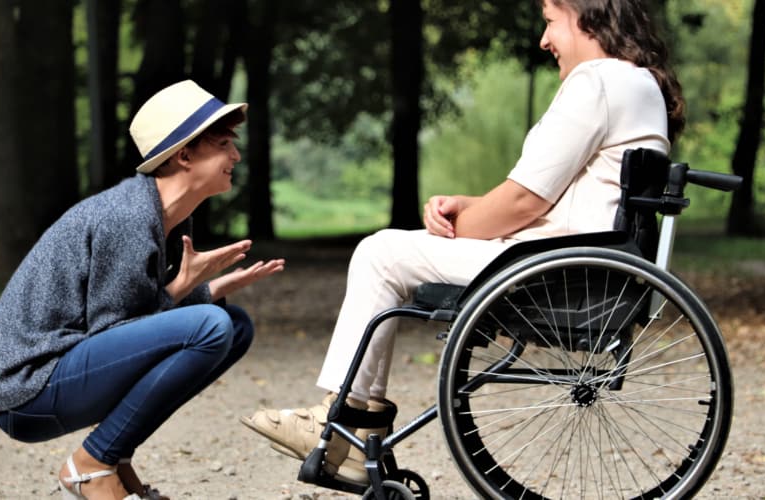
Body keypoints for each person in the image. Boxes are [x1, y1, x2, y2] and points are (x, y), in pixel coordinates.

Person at [240, 0, 684, 485]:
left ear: (584, 16)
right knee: (390, 251)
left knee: (380, 253)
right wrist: (466, 206)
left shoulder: (597, 81)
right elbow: (555, 199)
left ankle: (342, 423)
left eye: (549, 22)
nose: (543, 40)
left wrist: (462, 224)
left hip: (554, 266)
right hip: (586, 258)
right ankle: (349, 422)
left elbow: (521, 203)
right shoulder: (639, 84)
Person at [0, 80, 285, 500]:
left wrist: (204, 291)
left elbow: (133, 324)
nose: (236, 155)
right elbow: (115, 332)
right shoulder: (128, 218)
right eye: (224, 143)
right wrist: (183, 289)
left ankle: (111, 457)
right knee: (211, 326)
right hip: (26, 391)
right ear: (184, 154)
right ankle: (91, 466)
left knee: (234, 325)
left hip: (62, 373)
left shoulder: (164, 217)